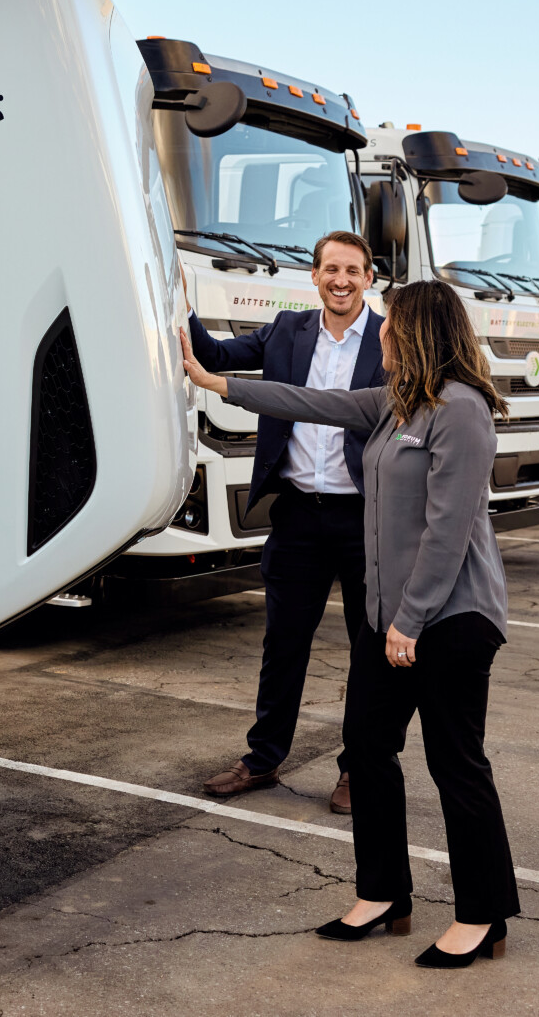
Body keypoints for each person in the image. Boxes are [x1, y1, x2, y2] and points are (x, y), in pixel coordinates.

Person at [178, 279, 521, 968]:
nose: (381, 333)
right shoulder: (397, 405)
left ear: (418, 333)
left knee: (455, 763)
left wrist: (410, 621)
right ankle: (383, 893)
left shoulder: (460, 411)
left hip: (449, 618)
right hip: (390, 617)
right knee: (366, 747)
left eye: (391, 324)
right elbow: (312, 401)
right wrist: (214, 380)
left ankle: (483, 915)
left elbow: (448, 530)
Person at [185, 231, 384, 815]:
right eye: (330, 270)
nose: (340, 280)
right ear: (315, 276)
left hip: (365, 518)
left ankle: (358, 767)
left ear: (368, 278)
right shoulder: (288, 331)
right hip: (298, 515)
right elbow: (218, 359)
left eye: (352, 270)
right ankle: (263, 759)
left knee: (367, 650)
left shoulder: (387, 340)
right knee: (283, 645)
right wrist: (178, 303)